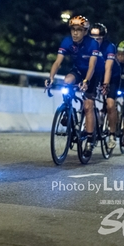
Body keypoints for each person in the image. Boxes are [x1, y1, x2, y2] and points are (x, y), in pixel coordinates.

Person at [45, 15, 103, 158]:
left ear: (85, 32)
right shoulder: (67, 41)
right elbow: (57, 62)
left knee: (88, 105)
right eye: (73, 30)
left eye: (79, 30)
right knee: (67, 80)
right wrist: (50, 78)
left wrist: (86, 81)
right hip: (77, 70)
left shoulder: (92, 44)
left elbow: (92, 66)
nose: (75, 33)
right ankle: (67, 110)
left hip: (93, 73)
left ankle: (89, 141)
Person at [89, 23, 119, 149]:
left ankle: (112, 135)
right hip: (97, 75)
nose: (95, 40)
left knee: (110, 104)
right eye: (92, 37)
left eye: (98, 38)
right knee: (88, 100)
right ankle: (91, 129)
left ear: (103, 38)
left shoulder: (109, 47)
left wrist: (105, 85)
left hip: (112, 76)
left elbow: (108, 68)